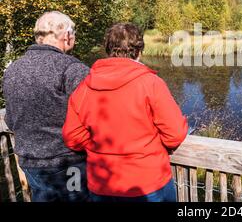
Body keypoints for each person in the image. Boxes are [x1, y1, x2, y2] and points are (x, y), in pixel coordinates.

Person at [62, 23, 188, 202]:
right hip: (148, 182)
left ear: (108, 50)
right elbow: (175, 133)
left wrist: (97, 147)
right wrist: (154, 146)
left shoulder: (85, 87)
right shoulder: (151, 83)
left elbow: (72, 137)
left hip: (103, 183)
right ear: (139, 51)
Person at [3, 11, 90, 202]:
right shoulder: (73, 69)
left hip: (30, 164)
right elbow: (96, 117)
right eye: (73, 33)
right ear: (67, 35)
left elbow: (10, 119)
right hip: (69, 164)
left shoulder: (13, 70)